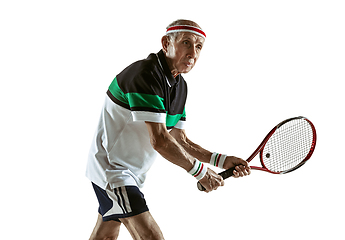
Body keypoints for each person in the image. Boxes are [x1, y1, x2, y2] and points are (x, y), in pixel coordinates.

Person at [86, 19, 251, 240]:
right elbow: (161, 140)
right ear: (166, 43)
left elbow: (180, 140)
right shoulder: (145, 75)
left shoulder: (179, 86)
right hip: (112, 172)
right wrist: (200, 173)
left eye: (199, 46)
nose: (193, 52)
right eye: (186, 43)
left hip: (131, 175)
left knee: (105, 236)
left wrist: (222, 161)